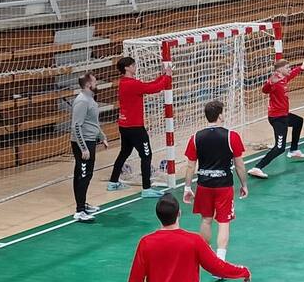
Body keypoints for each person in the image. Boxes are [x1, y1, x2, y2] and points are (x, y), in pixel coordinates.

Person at [183, 100, 249, 263]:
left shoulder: (195, 138)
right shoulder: (231, 136)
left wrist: (187, 187)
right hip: (224, 186)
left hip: (204, 185)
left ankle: (207, 257)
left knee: (206, 219)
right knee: (224, 222)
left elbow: (191, 166)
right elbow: (239, 165)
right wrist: (244, 185)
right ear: (220, 115)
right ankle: (220, 260)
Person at [108, 56, 172, 198]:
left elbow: (147, 85)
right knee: (146, 155)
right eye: (133, 65)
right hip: (135, 127)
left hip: (124, 125)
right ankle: (146, 188)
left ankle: (113, 182)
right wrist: (166, 78)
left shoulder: (124, 83)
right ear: (127, 68)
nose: (135, 67)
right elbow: (153, 88)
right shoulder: (131, 84)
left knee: (124, 153)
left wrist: (162, 76)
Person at [249, 57, 304, 179]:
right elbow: (265, 90)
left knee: (298, 121)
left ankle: (293, 150)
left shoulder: (284, 78)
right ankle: (257, 167)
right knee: (279, 147)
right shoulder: (275, 80)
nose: (289, 69)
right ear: (280, 69)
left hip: (284, 115)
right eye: (287, 67)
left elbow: (292, 74)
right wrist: (270, 83)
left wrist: (302, 67)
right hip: (277, 118)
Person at [70, 74, 109, 223]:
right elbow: (76, 126)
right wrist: (83, 148)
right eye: (94, 82)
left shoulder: (90, 99)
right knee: (83, 175)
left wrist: (101, 136)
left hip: (90, 140)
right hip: (84, 143)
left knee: (86, 174)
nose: (96, 83)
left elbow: (93, 122)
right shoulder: (82, 101)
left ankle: (83, 204)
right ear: (88, 85)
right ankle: (79, 211)